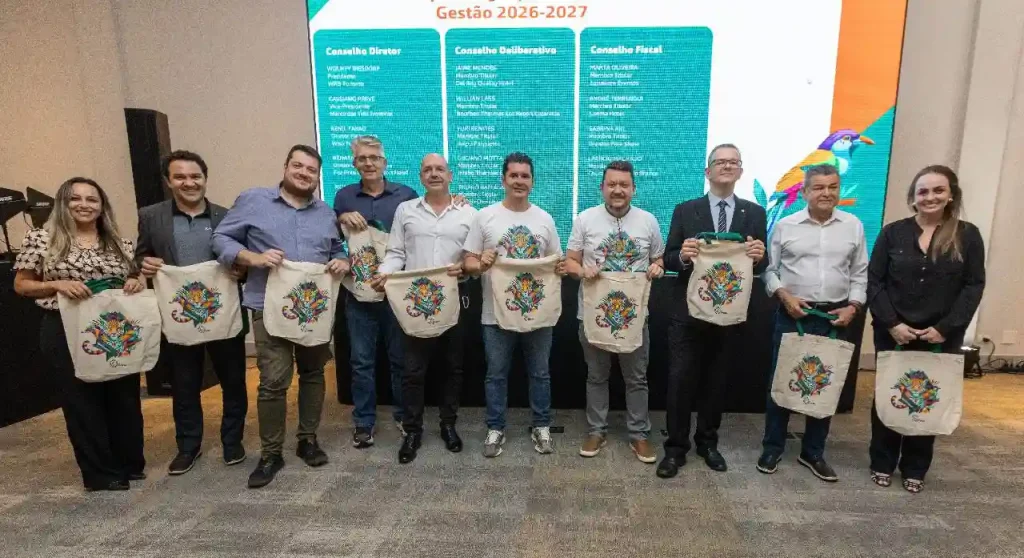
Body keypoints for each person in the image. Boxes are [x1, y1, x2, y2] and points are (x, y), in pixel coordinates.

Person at [213, 144, 350, 489]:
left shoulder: (325, 212)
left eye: (311, 170)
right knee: (274, 381)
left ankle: (307, 439)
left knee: (314, 373)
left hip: (313, 309)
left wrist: (342, 260)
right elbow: (221, 237)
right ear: (285, 167)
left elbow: (336, 249)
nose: (304, 173)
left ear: (317, 177)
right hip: (268, 305)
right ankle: (271, 453)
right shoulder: (254, 200)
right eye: (298, 166)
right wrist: (251, 258)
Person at [13, 177, 147, 491]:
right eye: (76, 198)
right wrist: (56, 285)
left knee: (124, 396)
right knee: (83, 401)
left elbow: (134, 276)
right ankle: (100, 473)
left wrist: (137, 281)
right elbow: (21, 284)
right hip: (65, 327)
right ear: (63, 202)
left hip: (113, 328)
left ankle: (129, 463)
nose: (84, 205)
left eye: (92, 199)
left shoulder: (119, 242)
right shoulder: (42, 238)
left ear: (102, 207)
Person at [866, 164, 985, 494]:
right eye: (923, 191)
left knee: (927, 399)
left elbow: (973, 285)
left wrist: (946, 327)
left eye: (938, 190)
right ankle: (882, 462)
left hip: (941, 336)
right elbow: (874, 281)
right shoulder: (892, 233)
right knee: (890, 395)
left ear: (951, 195)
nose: (930, 197)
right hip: (894, 331)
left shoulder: (967, 235)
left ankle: (915, 467)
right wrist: (892, 323)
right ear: (913, 197)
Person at [135, 150, 249, 475]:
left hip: (224, 312)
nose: (189, 182)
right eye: (180, 177)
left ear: (205, 178)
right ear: (168, 181)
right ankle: (188, 446)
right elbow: (140, 256)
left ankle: (233, 441)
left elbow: (242, 259)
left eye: (195, 176)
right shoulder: (151, 216)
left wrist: (242, 271)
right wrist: (143, 264)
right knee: (184, 385)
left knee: (233, 382)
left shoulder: (227, 216)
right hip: (180, 315)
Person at [657, 143, 767, 478]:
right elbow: (669, 258)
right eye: (720, 161)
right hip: (687, 312)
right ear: (708, 171)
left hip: (729, 312)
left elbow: (762, 265)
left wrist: (759, 257)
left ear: (741, 171)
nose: (727, 166)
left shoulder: (754, 213)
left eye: (734, 162)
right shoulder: (685, 210)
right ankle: (675, 448)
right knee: (680, 381)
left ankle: (708, 443)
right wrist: (683, 255)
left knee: (716, 382)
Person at [756, 164, 868, 482]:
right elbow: (769, 270)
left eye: (832, 187)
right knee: (782, 382)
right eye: (818, 187)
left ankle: (813, 452)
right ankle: (772, 447)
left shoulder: (853, 226)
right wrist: (784, 296)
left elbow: (860, 273)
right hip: (794, 314)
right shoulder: (786, 226)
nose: (826, 193)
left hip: (836, 317)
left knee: (826, 385)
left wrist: (854, 306)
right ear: (805, 192)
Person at [372, 154, 477, 463]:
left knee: (452, 368)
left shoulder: (469, 213)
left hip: (455, 299)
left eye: (439, 169)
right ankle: (412, 430)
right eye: (428, 170)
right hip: (415, 302)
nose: (434, 174)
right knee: (413, 370)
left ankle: (448, 425)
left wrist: (465, 267)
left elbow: (474, 256)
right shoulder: (405, 210)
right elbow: (396, 252)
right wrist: (385, 273)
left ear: (450, 175)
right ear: (420, 177)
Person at [464, 152, 566, 457]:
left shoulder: (544, 219)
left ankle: (541, 425)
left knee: (540, 373)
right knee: (496, 373)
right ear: (503, 180)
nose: (519, 181)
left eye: (525, 176)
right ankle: (495, 427)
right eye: (514, 175)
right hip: (495, 312)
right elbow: (468, 262)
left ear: (532, 181)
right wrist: (481, 263)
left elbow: (556, 261)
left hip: (537, 309)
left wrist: (561, 268)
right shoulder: (484, 217)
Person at [563, 160, 664, 463]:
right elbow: (569, 262)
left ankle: (639, 434)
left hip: (634, 316)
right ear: (602, 188)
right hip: (594, 314)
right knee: (596, 376)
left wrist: (658, 267)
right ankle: (596, 430)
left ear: (633, 189)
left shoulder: (648, 221)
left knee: (637, 378)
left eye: (624, 185)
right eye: (612, 184)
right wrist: (582, 270)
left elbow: (658, 259)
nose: (618, 190)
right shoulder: (585, 219)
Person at [333, 135, 417, 448]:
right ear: (354, 163)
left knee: (400, 360)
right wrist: (341, 217)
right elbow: (331, 239)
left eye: (374, 158)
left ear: (384, 162)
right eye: (362, 159)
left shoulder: (406, 195)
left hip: (396, 292)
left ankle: (403, 415)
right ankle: (364, 422)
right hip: (360, 294)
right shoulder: (343, 197)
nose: (368, 163)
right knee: (361, 363)